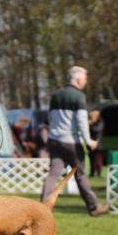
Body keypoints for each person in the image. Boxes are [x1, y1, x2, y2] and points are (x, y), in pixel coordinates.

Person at [41, 66, 109, 217]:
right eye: (85, 78)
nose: (86, 81)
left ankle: (42, 208)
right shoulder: (78, 96)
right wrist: (88, 140)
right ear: (78, 79)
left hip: (55, 140)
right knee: (80, 174)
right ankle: (94, 207)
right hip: (72, 142)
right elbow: (81, 121)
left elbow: (51, 119)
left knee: (53, 174)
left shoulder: (56, 95)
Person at [87, 109, 105, 177]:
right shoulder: (89, 122)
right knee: (91, 159)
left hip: (98, 144)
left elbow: (97, 129)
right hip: (90, 143)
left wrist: (90, 124)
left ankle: (99, 173)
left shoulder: (101, 121)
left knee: (98, 160)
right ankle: (92, 173)